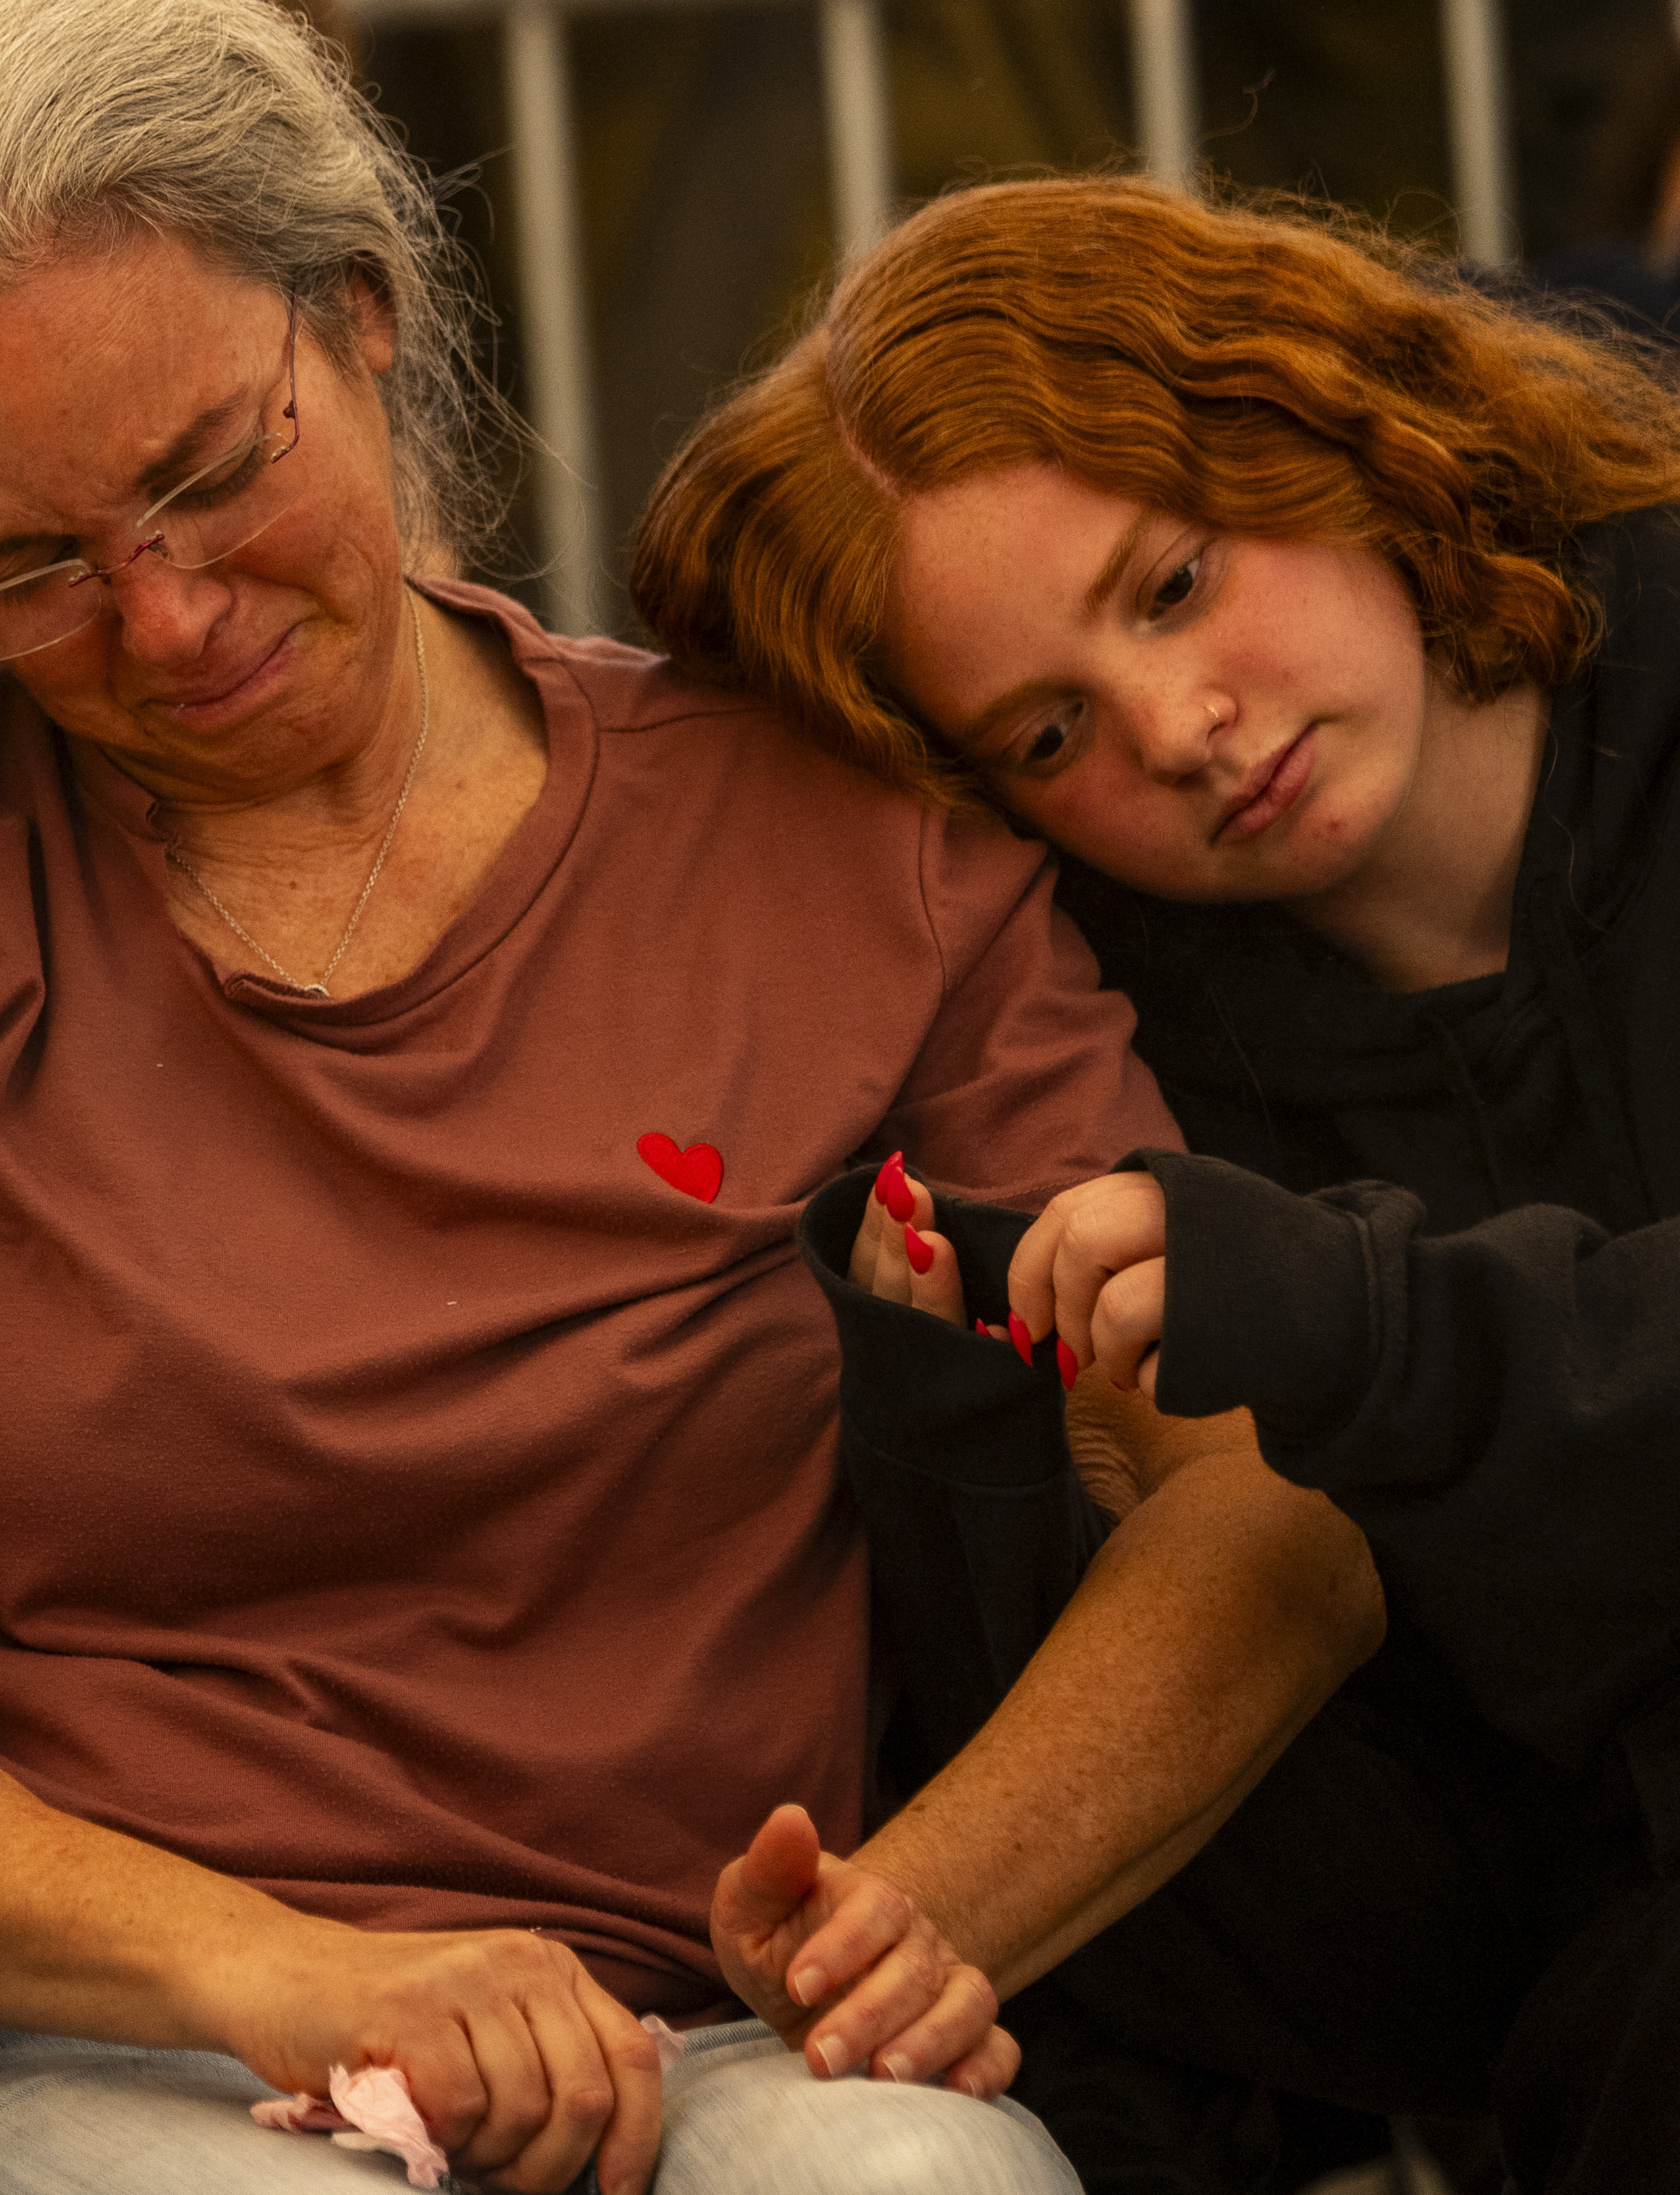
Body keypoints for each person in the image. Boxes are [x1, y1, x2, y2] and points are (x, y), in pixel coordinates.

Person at [0, 4, 1219, 2190]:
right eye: (29, 567)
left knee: (923, 2177)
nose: (164, 622)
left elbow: (1255, 1491)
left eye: (211, 471)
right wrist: (283, 1976)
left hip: (684, 2037)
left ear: (362, 313)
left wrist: (929, 1924)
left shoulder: (829, 839)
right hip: (34, 2046)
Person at [629, 174, 1680, 2194]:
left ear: (1309, 415)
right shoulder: (1136, 1074)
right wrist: (978, 1477)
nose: (1181, 733)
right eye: (1048, 730)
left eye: (1176, 584)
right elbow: (1404, 1963)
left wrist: (1363, 1326)